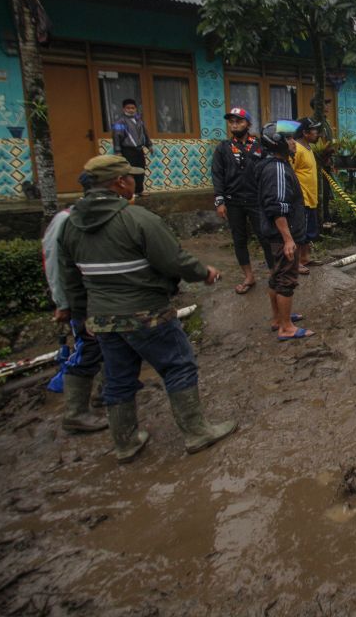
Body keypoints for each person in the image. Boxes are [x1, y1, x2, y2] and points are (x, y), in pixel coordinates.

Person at [57, 155, 234, 463]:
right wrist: (204, 272)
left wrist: (80, 315)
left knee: (117, 377)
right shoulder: (137, 219)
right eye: (131, 177)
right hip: (146, 312)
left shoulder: (70, 225)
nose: (135, 182)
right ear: (119, 182)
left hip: (103, 319)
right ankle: (197, 432)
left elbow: (70, 277)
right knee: (178, 365)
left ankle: (125, 442)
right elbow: (173, 260)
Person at [41, 171, 107, 434]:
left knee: (111, 344)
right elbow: (54, 263)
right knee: (89, 348)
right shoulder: (67, 220)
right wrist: (62, 303)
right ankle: (76, 412)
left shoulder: (98, 217)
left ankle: (106, 391)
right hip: (82, 301)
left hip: (101, 298)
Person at [256, 121, 314, 341]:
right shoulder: (278, 168)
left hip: (273, 233)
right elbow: (277, 206)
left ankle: (278, 318)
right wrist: (288, 239)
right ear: (278, 143)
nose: (293, 143)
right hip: (282, 235)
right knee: (286, 279)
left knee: (276, 275)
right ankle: (286, 328)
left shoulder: (269, 163)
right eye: (289, 139)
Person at [211, 107, 268, 294]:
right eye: (232, 121)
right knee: (239, 239)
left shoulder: (260, 145)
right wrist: (220, 202)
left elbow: (268, 171)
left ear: (248, 124)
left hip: (256, 200)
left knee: (265, 235)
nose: (235, 124)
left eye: (239, 121)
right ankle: (249, 276)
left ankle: (275, 272)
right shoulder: (223, 148)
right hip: (233, 201)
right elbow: (217, 175)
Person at [291, 117, 322, 274]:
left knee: (308, 230)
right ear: (305, 132)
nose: (317, 133)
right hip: (301, 197)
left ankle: (305, 257)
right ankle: (295, 263)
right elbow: (290, 172)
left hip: (311, 196)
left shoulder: (308, 148)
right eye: (314, 130)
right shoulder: (296, 148)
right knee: (298, 231)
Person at [111, 98, 153, 197]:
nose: (130, 110)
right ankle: (130, 192)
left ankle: (139, 190)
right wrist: (117, 151)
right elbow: (116, 136)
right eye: (128, 108)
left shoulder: (139, 120)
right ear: (123, 109)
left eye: (133, 108)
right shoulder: (120, 122)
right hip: (127, 150)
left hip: (138, 150)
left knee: (140, 170)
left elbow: (145, 133)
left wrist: (149, 145)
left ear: (135, 109)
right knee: (129, 172)